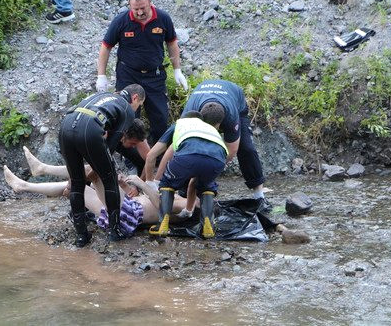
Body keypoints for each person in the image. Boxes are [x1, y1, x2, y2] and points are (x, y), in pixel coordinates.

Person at [3, 151, 196, 239]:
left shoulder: (185, 203)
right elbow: (142, 200)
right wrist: (124, 185)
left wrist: (141, 183)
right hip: (125, 210)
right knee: (81, 188)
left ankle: (43, 168)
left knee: (98, 170)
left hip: (127, 216)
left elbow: (162, 209)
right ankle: (24, 185)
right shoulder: (177, 196)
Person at [145, 79, 270, 210]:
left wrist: (206, 173)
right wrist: (157, 181)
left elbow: (232, 150)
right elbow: (174, 146)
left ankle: (259, 195)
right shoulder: (190, 113)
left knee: (246, 148)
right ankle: (186, 192)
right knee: (189, 153)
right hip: (204, 98)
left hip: (234, 100)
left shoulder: (231, 116)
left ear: (220, 125)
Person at [59, 84, 145, 247]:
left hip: (66, 126)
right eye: (139, 105)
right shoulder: (127, 109)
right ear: (134, 98)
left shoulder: (105, 95)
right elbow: (111, 146)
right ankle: (115, 231)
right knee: (110, 178)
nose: (136, 110)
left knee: (77, 183)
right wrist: (99, 169)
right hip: (89, 129)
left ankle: (81, 236)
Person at [96, 0, 188, 144]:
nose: (139, 12)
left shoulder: (163, 18)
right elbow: (106, 47)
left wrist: (177, 70)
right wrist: (101, 75)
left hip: (154, 76)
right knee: (128, 119)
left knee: (160, 118)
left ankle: (156, 157)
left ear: (150, 3)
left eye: (143, 8)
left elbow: (172, 43)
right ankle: (131, 160)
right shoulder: (121, 20)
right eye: (135, 9)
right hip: (128, 76)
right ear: (129, 6)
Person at [149, 106, 228, 239]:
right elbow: (193, 183)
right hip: (218, 159)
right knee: (206, 185)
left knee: (167, 183)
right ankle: (207, 225)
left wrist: (152, 182)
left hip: (188, 157)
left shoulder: (180, 124)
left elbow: (153, 153)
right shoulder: (209, 128)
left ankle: (162, 224)